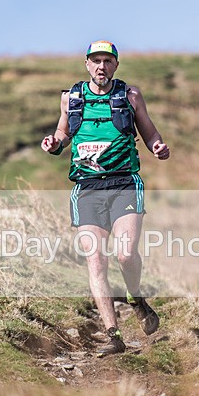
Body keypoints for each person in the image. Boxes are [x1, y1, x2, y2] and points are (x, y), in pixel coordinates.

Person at [40, 40, 170, 355]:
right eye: (96, 61)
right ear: (87, 64)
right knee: (96, 259)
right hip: (87, 188)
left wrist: (157, 147)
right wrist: (53, 143)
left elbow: (150, 132)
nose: (102, 66)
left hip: (124, 183)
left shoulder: (130, 96)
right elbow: (62, 133)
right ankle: (113, 335)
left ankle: (136, 297)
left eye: (107, 61)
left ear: (115, 66)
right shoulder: (70, 99)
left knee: (125, 254)